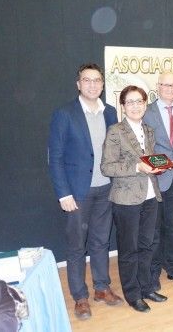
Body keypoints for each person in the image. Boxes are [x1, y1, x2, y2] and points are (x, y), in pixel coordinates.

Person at [48, 63, 123, 320]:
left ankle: (101, 288)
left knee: (101, 241)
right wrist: (63, 193)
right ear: (78, 84)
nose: (92, 84)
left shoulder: (111, 113)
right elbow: (55, 157)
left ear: (102, 85)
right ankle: (80, 296)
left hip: (106, 190)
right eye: (87, 80)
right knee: (77, 247)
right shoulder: (65, 114)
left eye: (97, 80)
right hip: (77, 194)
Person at [101, 85, 167, 313]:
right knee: (129, 250)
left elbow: (149, 162)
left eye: (139, 101)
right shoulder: (115, 131)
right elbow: (106, 167)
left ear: (145, 104)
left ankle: (146, 286)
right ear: (123, 106)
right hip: (126, 199)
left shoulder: (148, 130)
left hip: (150, 195)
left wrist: (156, 167)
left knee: (147, 246)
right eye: (130, 102)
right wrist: (137, 166)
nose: (136, 106)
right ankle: (132, 294)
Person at [143, 72, 173, 288]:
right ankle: (153, 274)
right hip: (155, 179)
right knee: (153, 230)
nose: (170, 89)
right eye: (166, 85)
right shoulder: (146, 111)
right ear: (158, 86)